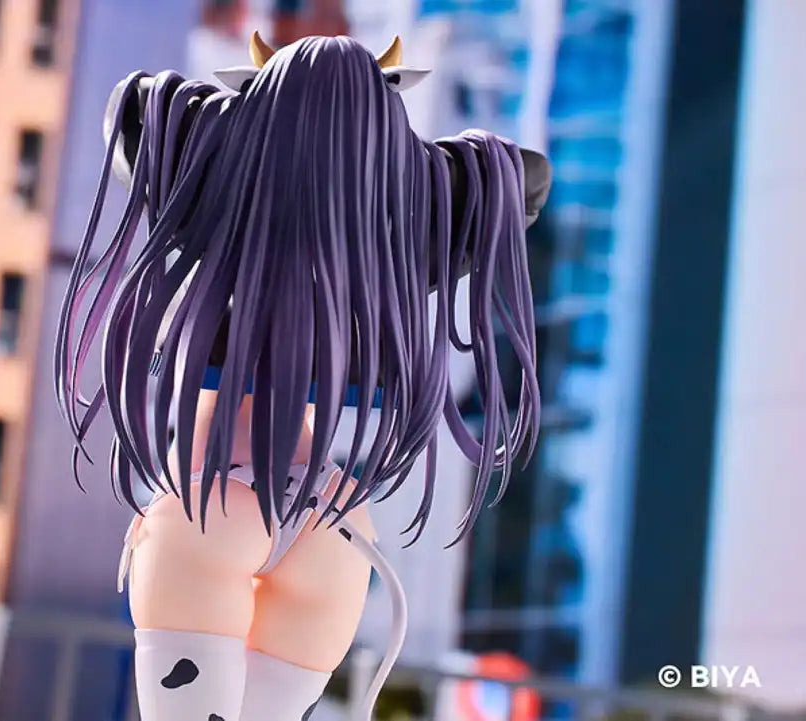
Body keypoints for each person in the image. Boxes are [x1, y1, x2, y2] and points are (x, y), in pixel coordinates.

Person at [56, 32, 551, 721]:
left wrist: (244, 115)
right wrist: (409, 160)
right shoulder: (402, 229)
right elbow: (526, 180)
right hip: (334, 523)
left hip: (208, 503)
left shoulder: (213, 187)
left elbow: (131, 109)